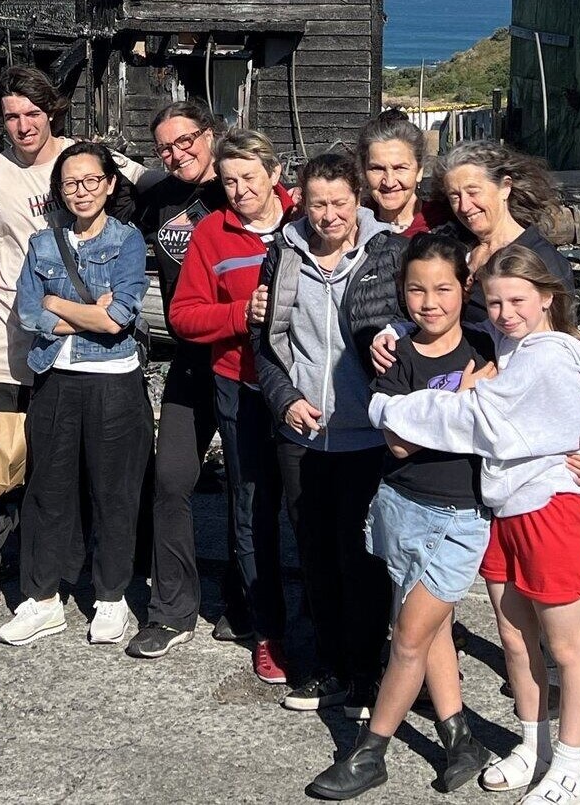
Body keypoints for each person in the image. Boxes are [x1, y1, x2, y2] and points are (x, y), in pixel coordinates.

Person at [365, 244, 580, 805]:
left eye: (518, 300)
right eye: (494, 302)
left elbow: (474, 418)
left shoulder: (548, 355)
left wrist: (384, 408)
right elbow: (442, 318)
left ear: (548, 297)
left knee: (566, 646)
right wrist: (392, 328)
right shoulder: (510, 343)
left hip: (549, 510)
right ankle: (533, 742)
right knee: (515, 637)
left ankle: (570, 766)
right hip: (504, 508)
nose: (505, 313)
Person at [0, 66, 141, 627]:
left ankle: (70, 577)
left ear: (52, 112)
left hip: (80, 358)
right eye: (11, 116)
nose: (23, 125)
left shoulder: (85, 160)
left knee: (62, 469)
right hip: (9, 334)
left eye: (32, 113)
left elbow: (145, 194)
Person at [305, 233, 490, 800]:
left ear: (465, 289)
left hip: (460, 517)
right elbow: (398, 441)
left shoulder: (488, 348)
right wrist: (460, 399)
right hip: (402, 506)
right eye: (415, 290)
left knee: (407, 638)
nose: (429, 302)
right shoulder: (398, 354)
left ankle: (370, 751)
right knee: (427, 628)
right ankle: (460, 740)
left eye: (442, 288)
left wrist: (428, 413)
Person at [253, 153, 405, 715]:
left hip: (365, 435)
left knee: (360, 558)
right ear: (301, 201)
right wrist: (286, 399)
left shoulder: (388, 254)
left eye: (340, 202)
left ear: (358, 201)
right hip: (303, 435)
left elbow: (416, 323)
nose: (328, 215)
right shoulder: (283, 254)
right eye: (317, 203)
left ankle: (366, 674)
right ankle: (329, 666)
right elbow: (265, 344)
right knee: (314, 554)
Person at [0, 142, 153, 647]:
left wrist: (58, 308)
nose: (81, 191)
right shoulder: (44, 243)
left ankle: (110, 598)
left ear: (109, 184)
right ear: (58, 191)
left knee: (113, 492)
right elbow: (27, 311)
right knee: (47, 491)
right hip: (55, 379)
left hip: (114, 382)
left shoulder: (128, 240)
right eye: (70, 183)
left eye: (90, 181)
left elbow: (120, 316)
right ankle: (41, 600)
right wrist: (83, 315)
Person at [130, 98, 255, 664]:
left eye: (187, 141)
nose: (177, 154)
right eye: (165, 147)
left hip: (246, 363)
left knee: (247, 489)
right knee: (171, 479)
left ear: (212, 134)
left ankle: (246, 602)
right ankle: (173, 609)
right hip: (188, 356)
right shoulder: (156, 194)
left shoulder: (237, 189)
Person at [167, 128, 295, 679]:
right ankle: (266, 628)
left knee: (311, 507)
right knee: (250, 505)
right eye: (228, 181)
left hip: (307, 387)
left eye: (249, 177)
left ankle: (325, 615)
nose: (239, 190)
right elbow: (184, 316)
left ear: (275, 175)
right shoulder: (211, 234)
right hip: (237, 382)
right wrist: (240, 313)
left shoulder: (306, 222)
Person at [371, 140, 573, 372]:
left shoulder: (542, 260)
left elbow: (555, 352)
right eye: (454, 196)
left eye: (473, 192)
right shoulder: (457, 249)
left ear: (505, 187)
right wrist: (395, 331)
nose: (465, 206)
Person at [356, 114, 448, 236]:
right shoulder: (353, 227)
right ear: (363, 171)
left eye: (400, 168)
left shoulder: (444, 223)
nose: (389, 182)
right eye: (377, 168)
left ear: (419, 170)